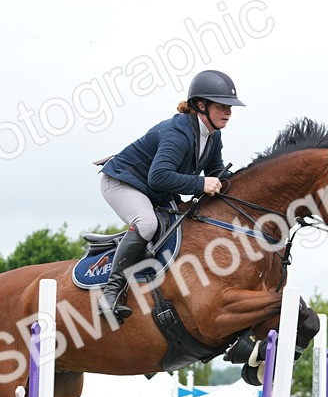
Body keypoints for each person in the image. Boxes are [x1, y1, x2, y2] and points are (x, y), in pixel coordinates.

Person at [95, 69, 244, 320]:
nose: (229, 112)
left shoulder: (213, 136)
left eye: (230, 107)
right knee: (148, 223)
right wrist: (200, 184)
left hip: (155, 190)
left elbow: (216, 173)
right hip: (122, 182)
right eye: (222, 106)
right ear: (200, 105)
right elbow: (159, 176)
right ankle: (110, 293)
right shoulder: (178, 133)